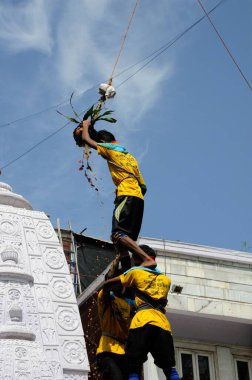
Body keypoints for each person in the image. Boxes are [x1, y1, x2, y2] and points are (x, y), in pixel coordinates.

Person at [73, 120, 149, 260]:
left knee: (117, 234)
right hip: (138, 198)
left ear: (103, 142)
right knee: (121, 241)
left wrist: (85, 125)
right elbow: (143, 186)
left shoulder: (110, 150)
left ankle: (146, 259)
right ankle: (125, 272)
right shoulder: (128, 156)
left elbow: (86, 140)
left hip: (127, 194)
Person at [103, 245, 180, 380]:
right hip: (162, 325)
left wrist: (107, 282)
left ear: (140, 259)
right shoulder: (166, 280)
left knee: (134, 366)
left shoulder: (136, 272)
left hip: (141, 322)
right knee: (169, 368)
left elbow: (115, 282)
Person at [96, 253, 134, 380]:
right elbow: (106, 286)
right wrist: (114, 268)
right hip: (107, 351)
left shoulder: (129, 303)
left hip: (125, 352)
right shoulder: (105, 297)